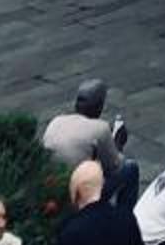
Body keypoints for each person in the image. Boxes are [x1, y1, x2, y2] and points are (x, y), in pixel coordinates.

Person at [41, 78, 141, 215]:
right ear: (99, 106)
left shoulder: (56, 121)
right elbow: (114, 166)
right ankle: (124, 218)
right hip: (77, 197)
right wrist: (118, 143)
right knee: (131, 168)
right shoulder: (100, 128)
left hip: (52, 187)